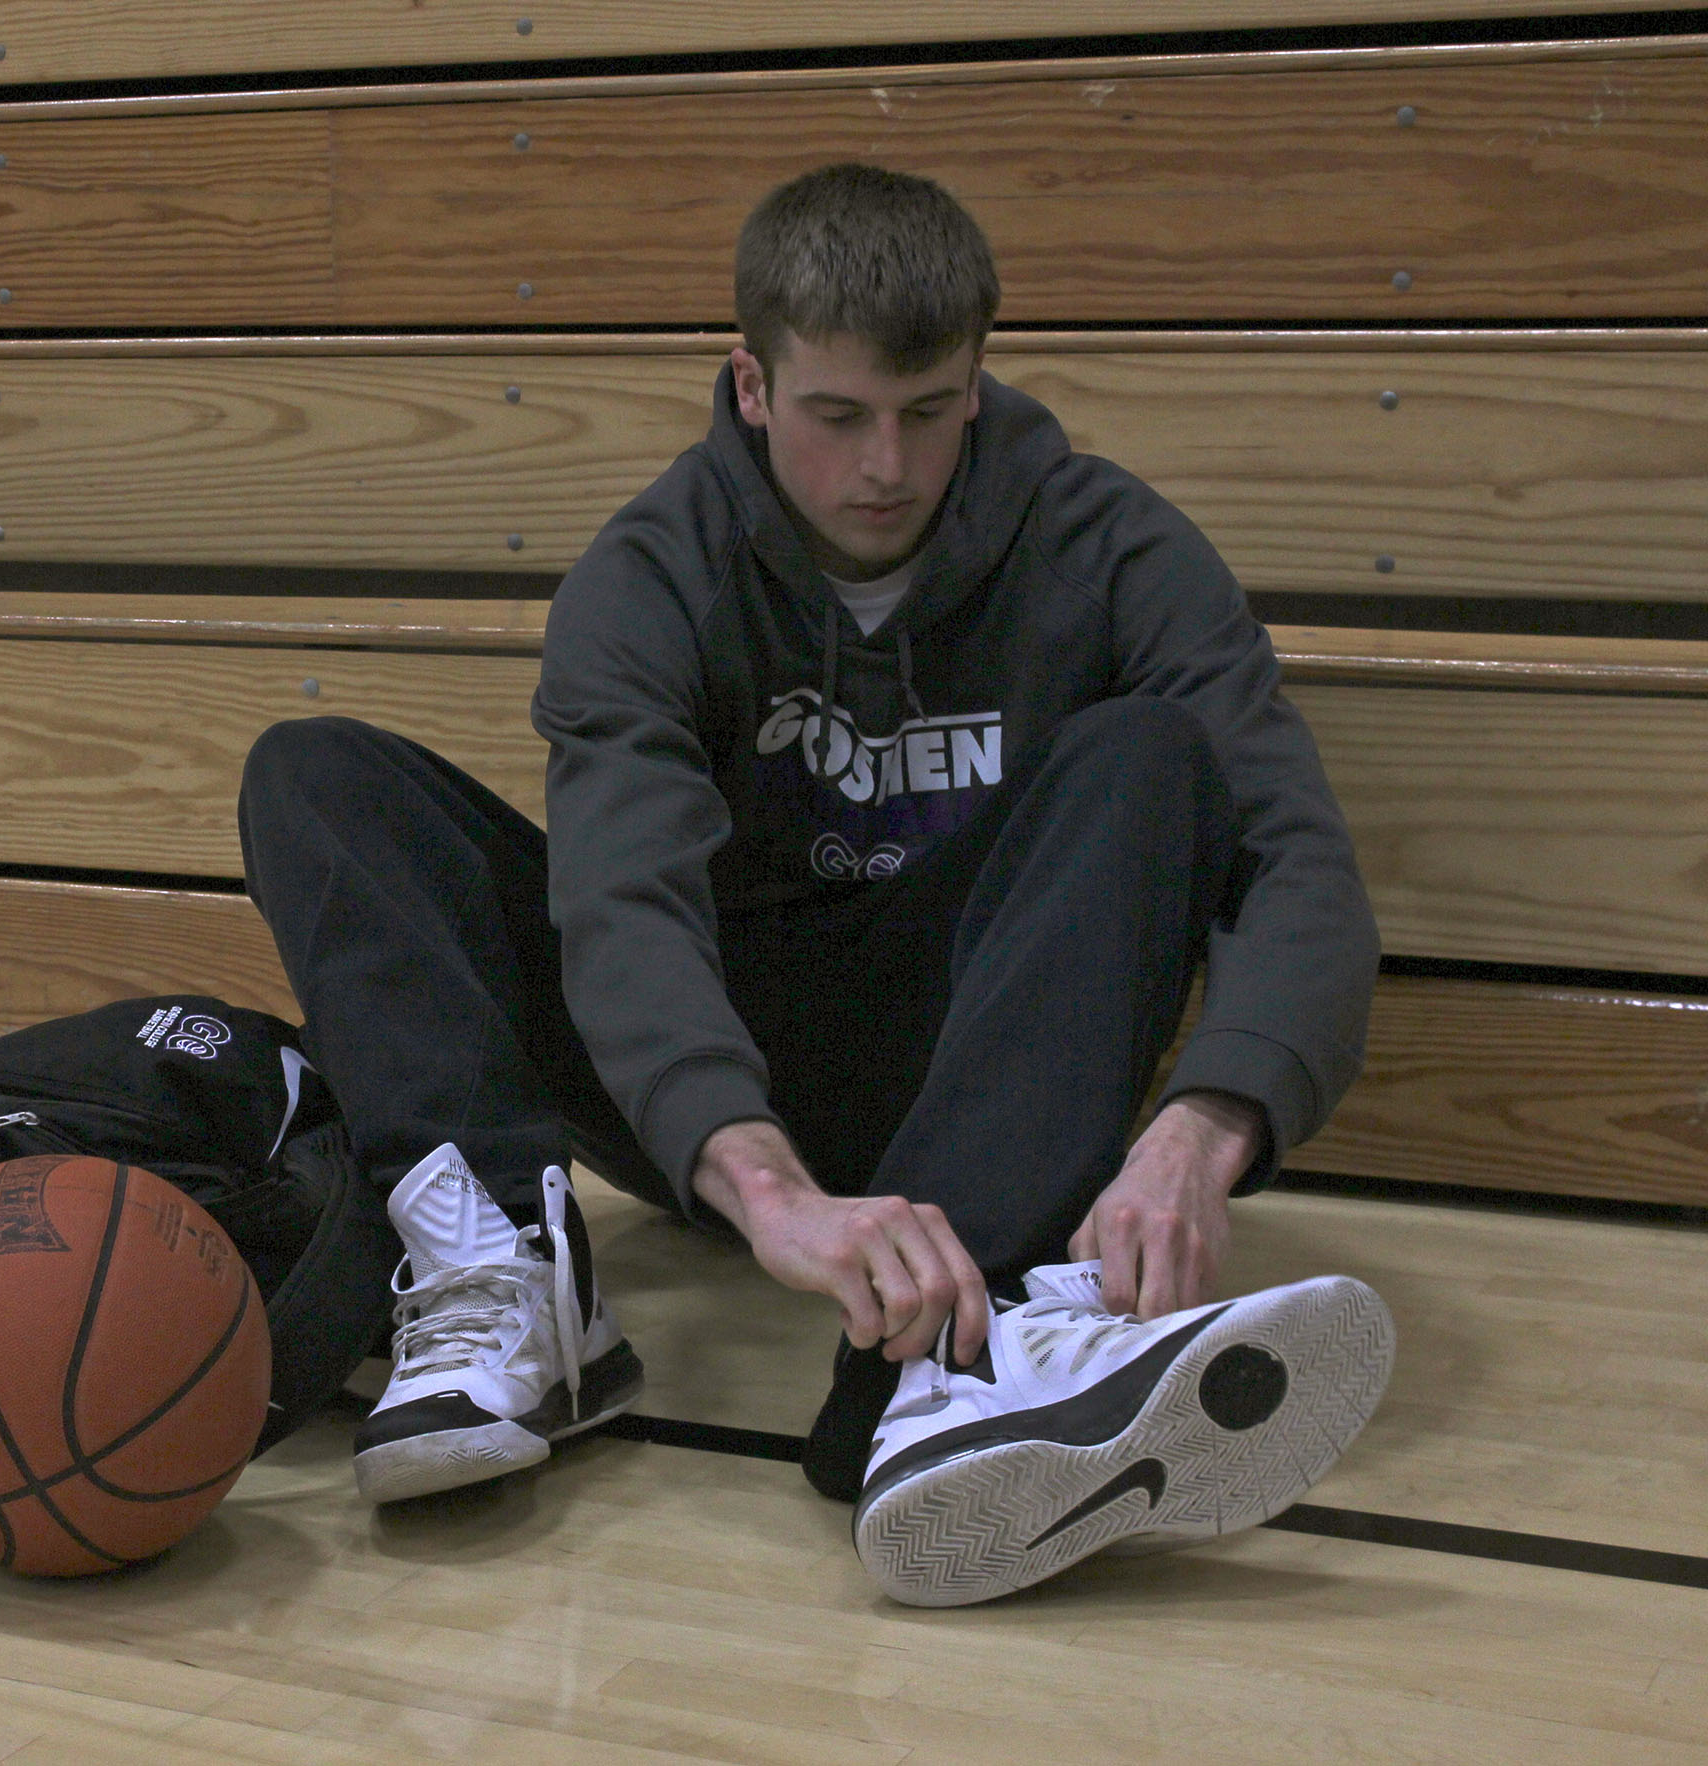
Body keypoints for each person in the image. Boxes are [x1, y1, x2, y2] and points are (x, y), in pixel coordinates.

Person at [238, 163, 1395, 1607]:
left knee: (1155, 755)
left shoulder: (1113, 549)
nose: (886, 469)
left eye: (928, 412)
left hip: (972, 1047)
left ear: (977, 381)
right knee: (319, 775)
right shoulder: (651, 572)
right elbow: (625, 900)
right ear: (750, 383)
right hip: (707, 1074)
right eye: (838, 416)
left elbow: (1298, 856)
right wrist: (766, 1187)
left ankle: (937, 1374)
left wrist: (1201, 1130)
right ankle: (518, 1280)